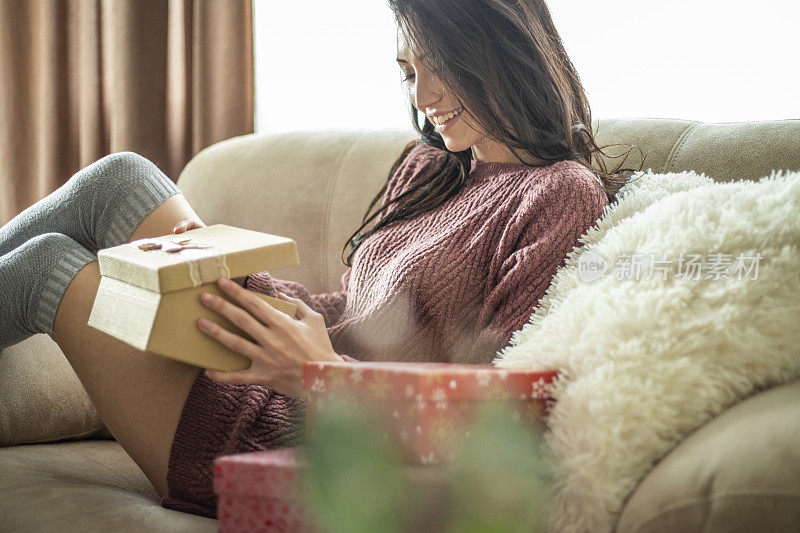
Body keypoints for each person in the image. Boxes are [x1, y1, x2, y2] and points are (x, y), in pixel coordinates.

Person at [0, 0, 635, 519]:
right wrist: (256, 291)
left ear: (498, 50)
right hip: (282, 369)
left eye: (438, 66)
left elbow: (498, 419)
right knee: (124, 180)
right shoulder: (434, 167)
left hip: (305, 436)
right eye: (408, 72)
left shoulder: (560, 196)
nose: (424, 96)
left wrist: (320, 373)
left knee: (49, 267)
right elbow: (359, 311)